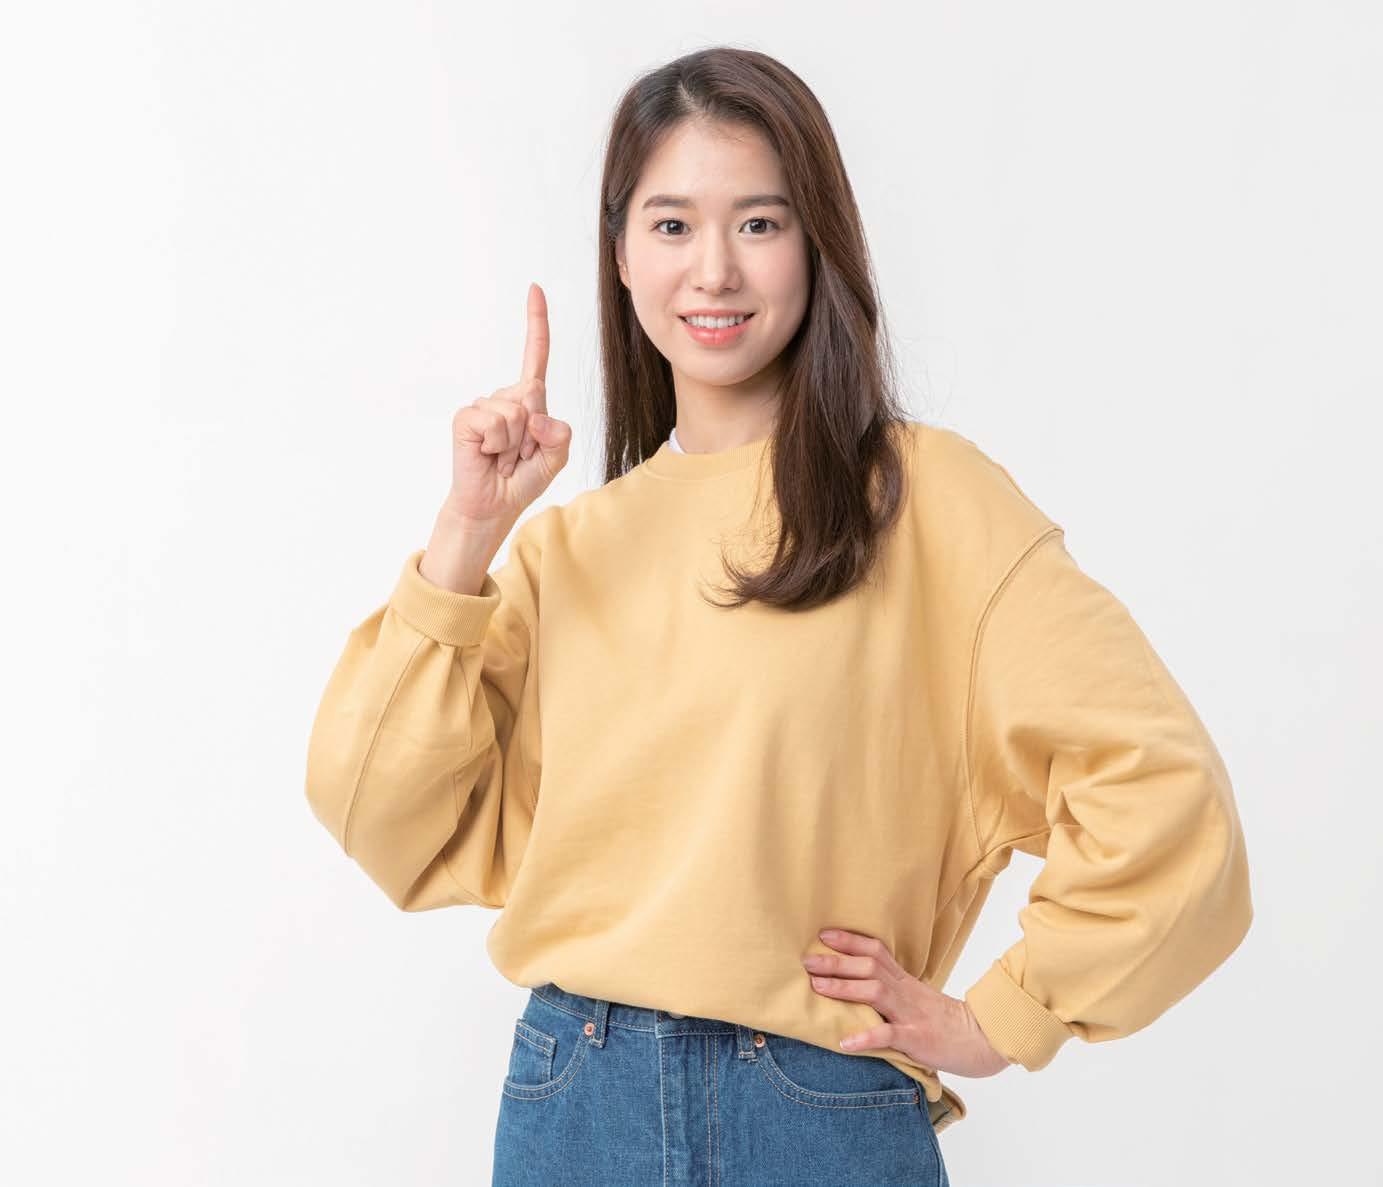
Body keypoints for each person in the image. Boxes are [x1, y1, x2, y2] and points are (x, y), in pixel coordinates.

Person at [304, 46, 1253, 1187]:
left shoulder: (929, 502)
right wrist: (467, 533)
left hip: (816, 1112)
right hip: (576, 1103)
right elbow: (379, 812)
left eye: (759, 223)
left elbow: (1162, 793)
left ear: (817, 243)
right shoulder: (566, 552)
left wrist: (1004, 1016)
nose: (714, 270)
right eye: (671, 225)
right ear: (620, 254)